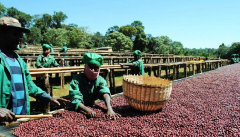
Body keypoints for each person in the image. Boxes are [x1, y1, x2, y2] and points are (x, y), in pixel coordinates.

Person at [0, 16, 70, 122]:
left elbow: (29, 85)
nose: (19, 38)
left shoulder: (18, 60)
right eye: (15, 34)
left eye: (20, 35)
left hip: (19, 118)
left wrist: (49, 98)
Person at [69, 52, 121, 120]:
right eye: (90, 67)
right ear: (85, 66)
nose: (93, 70)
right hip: (76, 108)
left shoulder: (100, 80)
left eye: (96, 68)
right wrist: (87, 110)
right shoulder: (77, 79)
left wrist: (109, 108)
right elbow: (75, 97)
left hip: (91, 105)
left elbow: (105, 92)